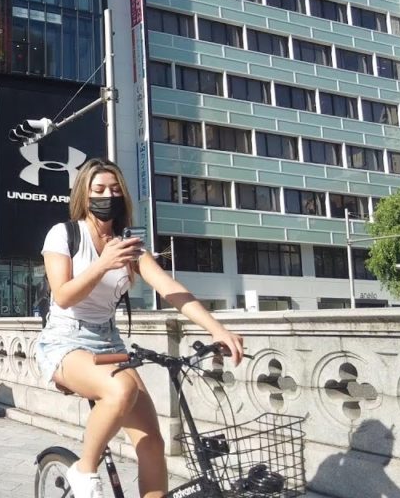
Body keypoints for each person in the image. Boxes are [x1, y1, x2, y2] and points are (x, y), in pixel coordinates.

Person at [36, 159, 244, 498]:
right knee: (120, 391)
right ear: (84, 196)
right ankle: (83, 469)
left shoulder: (130, 244)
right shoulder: (64, 234)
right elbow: (63, 295)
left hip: (108, 340)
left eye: (115, 190)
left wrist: (216, 328)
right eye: (99, 190)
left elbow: (168, 287)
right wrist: (104, 263)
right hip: (65, 339)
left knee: (152, 443)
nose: (108, 196)